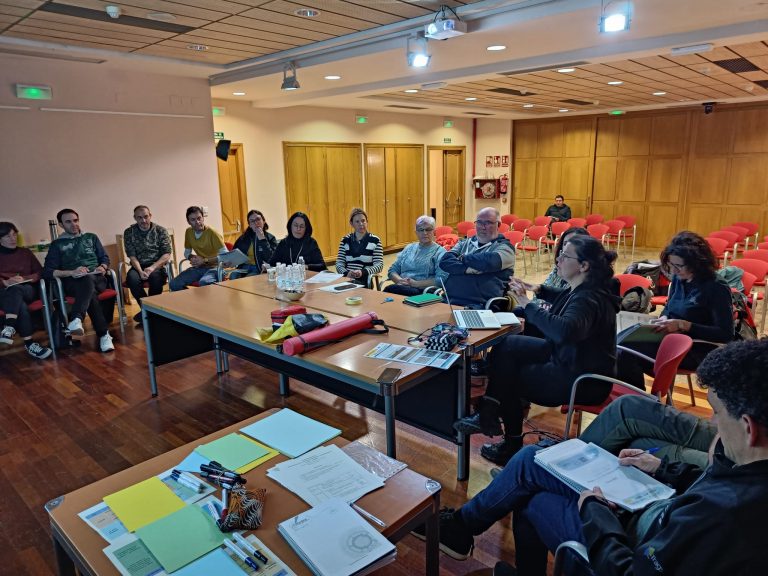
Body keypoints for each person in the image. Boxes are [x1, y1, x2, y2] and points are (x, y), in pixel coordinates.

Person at [424, 339, 768, 576]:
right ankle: (467, 524)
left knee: (530, 475)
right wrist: (666, 469)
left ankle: (463, 526)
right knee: (531, 465)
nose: (712, 422)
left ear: (750, 428)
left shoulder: (728, 516)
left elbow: (629, 570)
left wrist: (595, 512)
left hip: (632, 535)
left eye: (718, 414)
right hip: (657, 509)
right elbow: (709, 487)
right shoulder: (746, 474)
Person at [455, 235, 619, 465]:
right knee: (507, 345)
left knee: (510, 378)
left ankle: (508, 441)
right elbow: (562, 298)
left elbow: (563, 331)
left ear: (584, 266)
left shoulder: (588, 298)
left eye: (565, 256)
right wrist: (537, 289)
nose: (558, 260)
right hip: (571, 358)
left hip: (581, 378)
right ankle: (489, 409)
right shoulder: (587, 287)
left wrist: (525, 302)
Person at [617, 231, 733, 388]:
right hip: (670, 338)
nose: (674, 271)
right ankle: (636, 397)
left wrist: (684, 325)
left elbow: (725, 334)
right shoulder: (679, 279)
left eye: (679, 266)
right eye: (671, 266)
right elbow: (669, 310)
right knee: (619, 344)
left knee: (625, 352)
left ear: (697, 263)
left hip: (697, 347)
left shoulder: (716, 287)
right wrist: (663, 319)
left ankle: (638, 399)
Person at [43, 209, 115, 352]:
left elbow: (105, 258)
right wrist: (72, 272)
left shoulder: (91, 237)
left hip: (97, 278)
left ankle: (77, 319)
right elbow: (48, 271)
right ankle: (104, 335)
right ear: (61, 225)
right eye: (68, 222)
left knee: (88, 279)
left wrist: (103, 266)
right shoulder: (57, 244)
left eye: (75, 220)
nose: (73, 224)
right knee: (90, 292)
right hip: (73, 282)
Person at [437, 207, 515, 309]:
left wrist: (462, 258)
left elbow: (489, 262)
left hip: (481, 305)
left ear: (498, 225)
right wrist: (467, 269)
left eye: (488, 223)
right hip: (448, 300)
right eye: (479, 222)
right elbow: (445, 262)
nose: (483, 227)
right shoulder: (464, 243)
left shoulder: (506, 248)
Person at [0, 222, 53, 359]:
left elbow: (40, 272)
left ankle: (9, 325)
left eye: (14, 234)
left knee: (16, 289)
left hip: (27, 289)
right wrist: (4, 282)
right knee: (20, 305)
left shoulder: (25, 253)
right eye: (7, 236)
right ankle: (29, 344)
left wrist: (24, 277)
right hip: (4, 293)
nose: (13, 239)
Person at [123, 205, 172, 322]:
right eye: (139, 218)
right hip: (138, 265)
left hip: (156, 265)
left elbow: (166, 254)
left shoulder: (160, 231)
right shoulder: (129, 232)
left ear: (150, 216)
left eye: (146, 217)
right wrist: (140, 271)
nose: (143, 220)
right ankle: (149, 310)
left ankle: (149, 312)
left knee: (156, 278)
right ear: (135, 218)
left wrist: (152, 267)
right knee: (132, 279)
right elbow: (132, 256)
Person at [384, 215, 445, 296]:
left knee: (389, 292)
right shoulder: (409, 248)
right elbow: (392, 270)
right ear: (416, 232)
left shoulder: (439, 252)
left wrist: (416, 284)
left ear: (434, 232)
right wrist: (399, 280)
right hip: (402, 286)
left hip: (422, 291)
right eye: (421, 230)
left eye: (428, 229)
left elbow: (441, 279)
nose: (425, 233)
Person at [169, 206, 224, 291]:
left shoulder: (213, 233)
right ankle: (192, 302)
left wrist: (204, 260)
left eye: (199, 218)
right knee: (174, 284)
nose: (197, 222)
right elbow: (187, 253)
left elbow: (226, 256)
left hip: (216, 268)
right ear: (188, 222)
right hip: (199, 267)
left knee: (204, 282)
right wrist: (193, 258)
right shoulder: (188, 232)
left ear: (203, 218)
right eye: (193, 220)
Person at [336, 208, 383, 286]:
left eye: (363, 221)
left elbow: (379, 265)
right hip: (347, 278)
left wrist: (363, 272)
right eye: (357, 221)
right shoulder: (345, 240)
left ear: (367, 222)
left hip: (364, 279)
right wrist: (346, 273)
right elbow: (339, 263)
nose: (361, 224)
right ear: (351, 224)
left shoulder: (375, 240)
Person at [231, 209, 277, 277]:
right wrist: (230, 262)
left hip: (258, 268)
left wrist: (262, 239)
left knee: (249, 278)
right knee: (233, 276)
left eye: (258, 219)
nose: (256, 223)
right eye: (252, 221)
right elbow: (233, 254)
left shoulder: (271, 238)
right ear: (249, 225)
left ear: (263, 221)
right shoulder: (244, 238)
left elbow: (271, 258)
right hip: (244, 268)